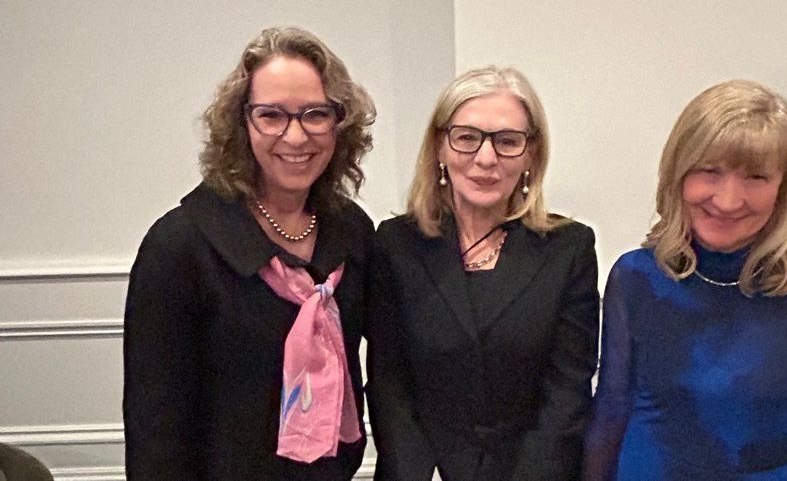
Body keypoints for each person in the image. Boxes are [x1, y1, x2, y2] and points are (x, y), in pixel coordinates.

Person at [582, 80, 787, 480]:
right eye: (709, 171)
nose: (728, 200)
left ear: (784, 188)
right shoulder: (635, 277)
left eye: (756, 177)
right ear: (678, 174)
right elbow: (611, 414)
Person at [123, 27, 376, 480]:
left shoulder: (352, 231)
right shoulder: (180, 246)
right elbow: (155, 429)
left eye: (315, 114)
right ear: (242, 124)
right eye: (271, 115)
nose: (296, 137)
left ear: (340, 124)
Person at [366, 66, 600, 480]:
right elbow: (389, 383)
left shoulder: (569, 249)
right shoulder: (395, 244)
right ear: (440, 146)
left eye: (507, 141)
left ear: (531, 153)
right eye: (467, 138)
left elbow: (566, 393)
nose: (486, 158)